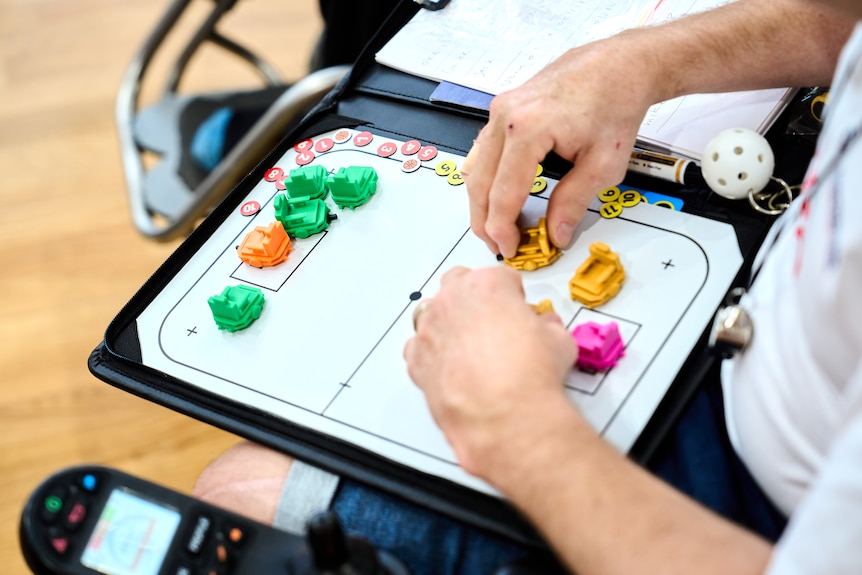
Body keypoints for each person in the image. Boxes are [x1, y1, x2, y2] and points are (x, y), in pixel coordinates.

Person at [193, 0, 862, 573]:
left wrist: (514, 422)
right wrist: (638, 61)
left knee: (238, 491)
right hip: (764, 319)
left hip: (746, 498)